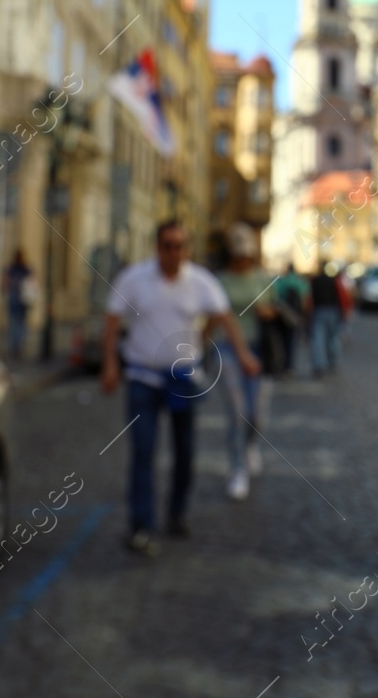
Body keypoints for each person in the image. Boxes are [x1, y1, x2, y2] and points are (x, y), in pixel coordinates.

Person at [101, 221, 259, 556]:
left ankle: (177, 512)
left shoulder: (200, 281)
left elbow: (225, 316)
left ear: (187, 249)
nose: (173, 253)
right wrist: (110, 364)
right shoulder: (135, 279)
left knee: (185, 451)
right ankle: (141, 524)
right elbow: (112, 318)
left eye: (179, 246)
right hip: (143, 376)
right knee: (143, 450)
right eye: (167, 246)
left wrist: (243, 355)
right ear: (157, 247)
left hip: (182, 379)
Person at [214, 224, 278, 501]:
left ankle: (251, 446)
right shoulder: (220, 281)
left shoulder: (261, 279)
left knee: (257, 413)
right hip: (227, 349)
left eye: (246, 256)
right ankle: (238, 469)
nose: (242, 260)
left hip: (258, 349)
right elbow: (214, 315)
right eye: (238, 255)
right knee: (237, 411)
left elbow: (273, 309)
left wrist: (267, 311)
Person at [271, 263, 308, 376]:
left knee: (280, 341)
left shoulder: (280, 281)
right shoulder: (299, 281)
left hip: (280, 315)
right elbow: (304, 300)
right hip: (293, 315)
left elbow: (273, 297)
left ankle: (280, 365)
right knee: (291, 341)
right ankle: (289, 366)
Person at [309, 264, 345, 376]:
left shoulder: (315, 280)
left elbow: (309, 296)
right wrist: (344, 311)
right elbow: (342, 295)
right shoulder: (334, 280)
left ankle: (319, 365)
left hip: (319, 310)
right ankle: (332, 362)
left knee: (318, 339)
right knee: (332, 338)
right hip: (332, 311)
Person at [5, 249, 33, 360]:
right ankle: (19, 345)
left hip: (13, 296)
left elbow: (6, 281)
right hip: (22, 298)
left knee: (13, 322)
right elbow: (32, 282)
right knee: (21, 322)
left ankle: (14, 345)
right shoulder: (25, 269)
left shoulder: (11, 268)